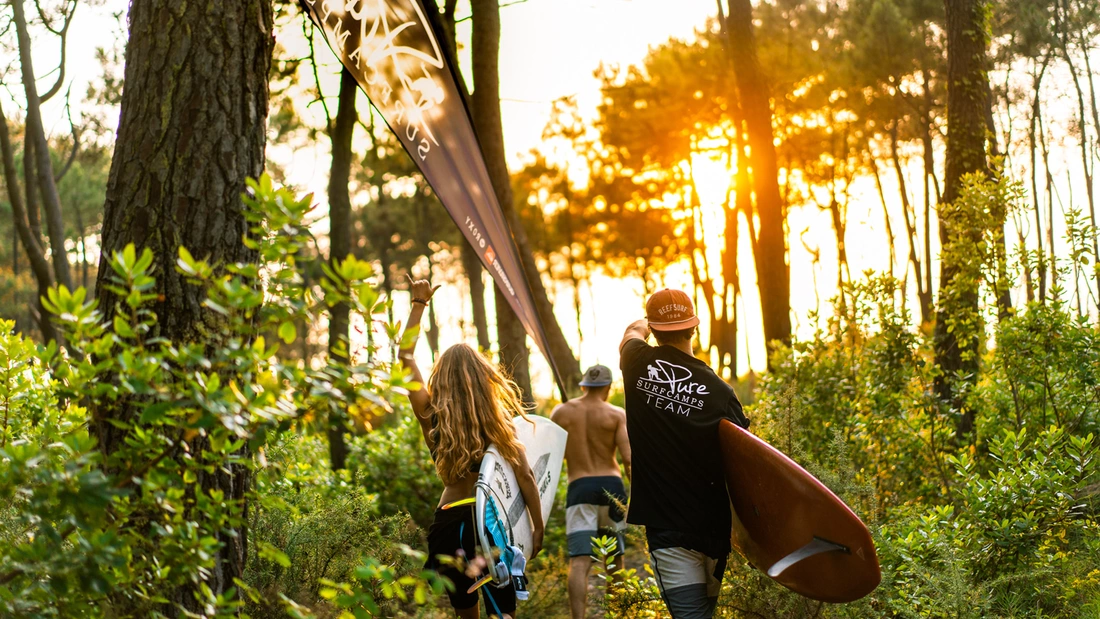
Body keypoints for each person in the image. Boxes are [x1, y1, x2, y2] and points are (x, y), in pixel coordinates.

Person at [399, 275, 544, 619]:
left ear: (440, 377)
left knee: (467, 613)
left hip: (450, 524)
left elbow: (405, 356)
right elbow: (525, 477)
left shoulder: (431, 416)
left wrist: (418, 306)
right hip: (489, 522)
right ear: (483, 379)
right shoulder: (499, 425)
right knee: (502, 613)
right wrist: (536, 527)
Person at [618, 289, 750, 619]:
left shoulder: (636, 362)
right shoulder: (721, 392)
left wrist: (644, 325)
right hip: (713, 528)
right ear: (695, 327)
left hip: (668, 528)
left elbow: (630, 335)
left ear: (654, 329)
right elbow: (746, 461)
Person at [549, 364, 632, 619]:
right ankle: (616, 615)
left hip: (580, 487)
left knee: (580, 560)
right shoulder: (616, 414)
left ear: (584, 385)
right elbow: (628, 459)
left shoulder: (561, 412)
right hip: (612, 488)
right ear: (607, 388)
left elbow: (553, 456)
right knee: (614, 558)